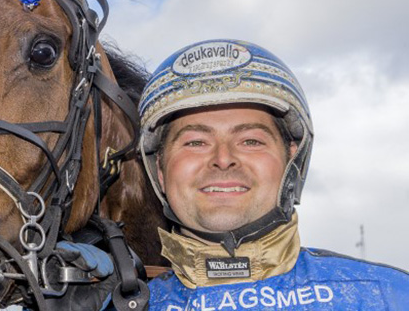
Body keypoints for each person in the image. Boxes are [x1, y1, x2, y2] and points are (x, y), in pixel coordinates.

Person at [53, 38, 409, 310]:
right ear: (159, 170)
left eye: (251, 140)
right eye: (195, 143)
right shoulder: (117, 305)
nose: (223, 159)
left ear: (292, 161)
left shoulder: (387, 296)